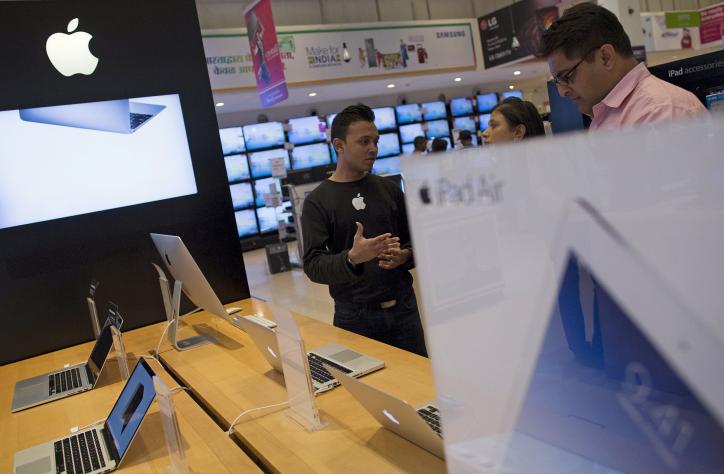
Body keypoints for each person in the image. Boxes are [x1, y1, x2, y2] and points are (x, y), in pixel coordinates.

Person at [301, 105, 428, 357]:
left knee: (421, 387)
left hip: (404, 307)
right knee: (369, 392)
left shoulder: (389, 189)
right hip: (355, 316)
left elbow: (417, 242)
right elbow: (313, 265)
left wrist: (404, 255)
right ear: (339, 145)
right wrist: (352, 258)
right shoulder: (318, 201)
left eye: (375, 141)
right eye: (364, 141)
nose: (373, 148)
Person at [541, 3, 706, 130]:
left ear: (605, 57)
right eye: (557, 80)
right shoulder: (605, 114)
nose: (562, 92)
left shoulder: (660, 112)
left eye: (566, 76)